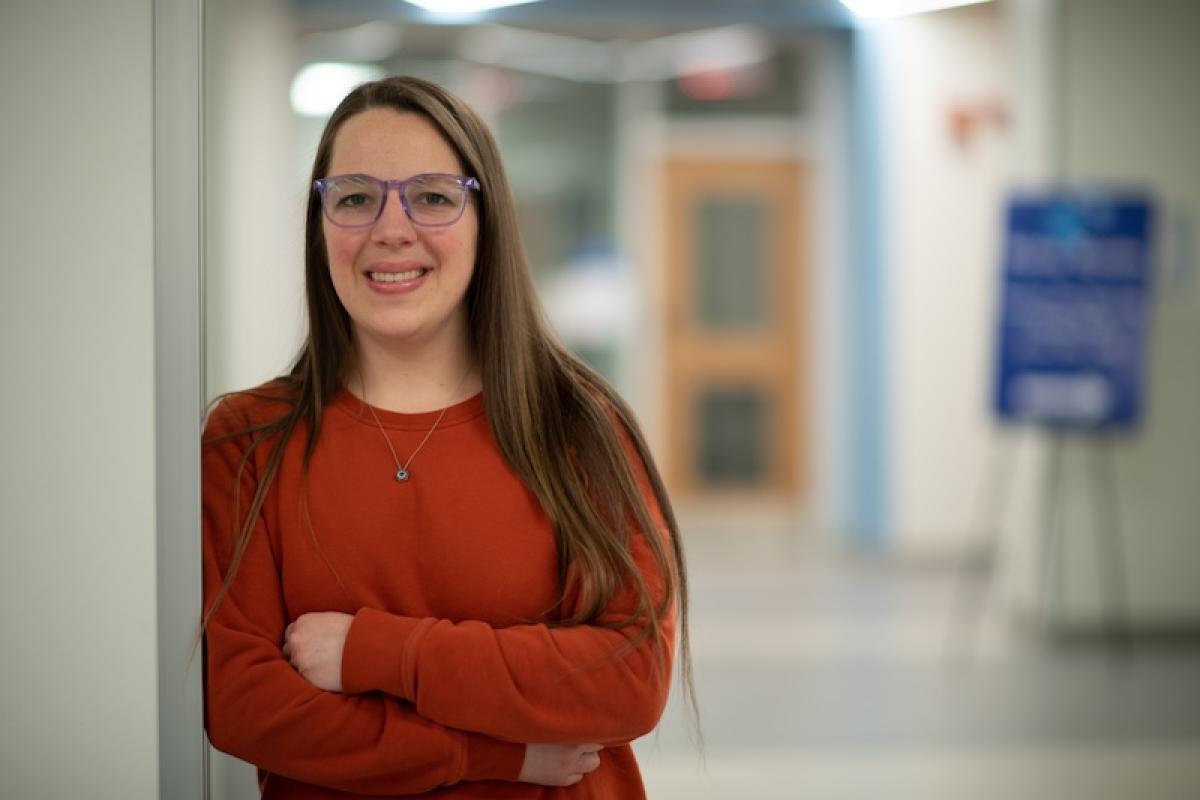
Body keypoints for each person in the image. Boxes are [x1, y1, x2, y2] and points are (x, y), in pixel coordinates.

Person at [201, 75, 693, 798]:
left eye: (432, 196)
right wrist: (495, 753)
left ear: (485, 220)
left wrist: (376, 651)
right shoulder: (248, 440)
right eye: (355, 197)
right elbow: (242, 706)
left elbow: (630, 678)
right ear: (320, 224)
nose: (390, 228)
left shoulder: (579, 425)